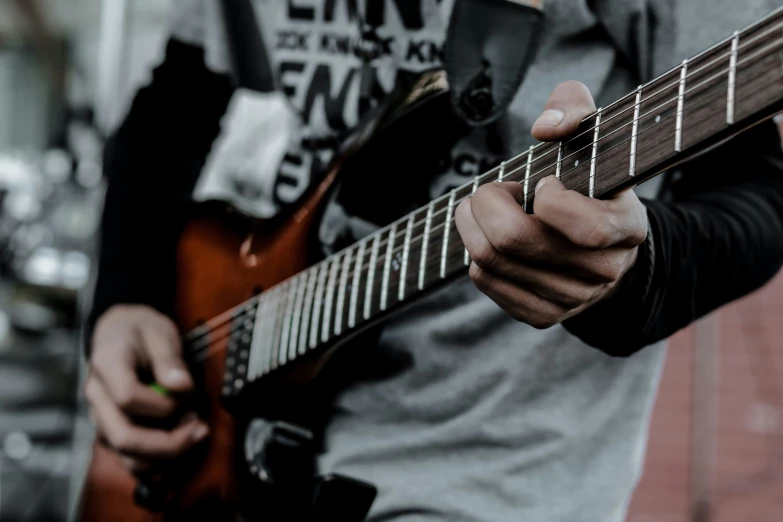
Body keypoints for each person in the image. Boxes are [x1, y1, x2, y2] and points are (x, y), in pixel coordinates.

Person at [83, 1, 783, 520]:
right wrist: (125, 298)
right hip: (231, 430)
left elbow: (755, 193)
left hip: (490, 469)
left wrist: (633, 271)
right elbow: (176, 100)